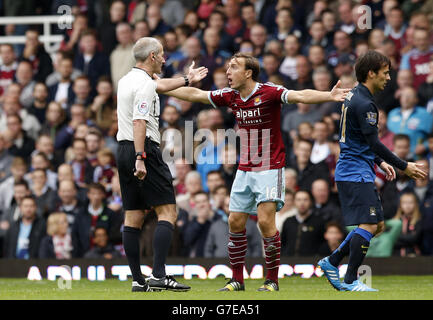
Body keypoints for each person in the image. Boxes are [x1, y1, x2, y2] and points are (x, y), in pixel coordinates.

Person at [163, 52, 349, 292]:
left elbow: (300, 95)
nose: (228, 72)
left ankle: (272, 280)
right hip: (245, 167)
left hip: (270, 166)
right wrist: (162, 87)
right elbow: (196, 94)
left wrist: (329, 95)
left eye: (233, 67)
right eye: (228, 67)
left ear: (248, 72)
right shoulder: (231, 95)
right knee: (235, 220)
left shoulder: (269, 92)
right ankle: (237, 280)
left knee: (264, 222)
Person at [318, 50, 427, 292]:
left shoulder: (354, 96)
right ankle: (350, 280)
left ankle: (332, 261)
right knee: (368, 225)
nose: (388, 78)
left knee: (376, 226)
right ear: (371, 73)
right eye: (385, 73)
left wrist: (379, 161)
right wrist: (404, 165)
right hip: (354, 172)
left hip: (356, 168)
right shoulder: (365, 103)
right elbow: (374, 142)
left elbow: (358, 139)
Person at [116, 36, 207, 292]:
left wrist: (187, 79)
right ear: (153, 56)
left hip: (122, 149)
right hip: (142, 148)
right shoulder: (144, 85)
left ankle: (137, 280)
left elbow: (162, 86)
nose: (165, 59)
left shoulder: (126, 80)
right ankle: (158, 275)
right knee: (168, 212)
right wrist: (140, 157)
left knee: (133, 216)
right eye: (163, 54)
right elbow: (139, 121)